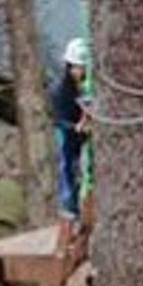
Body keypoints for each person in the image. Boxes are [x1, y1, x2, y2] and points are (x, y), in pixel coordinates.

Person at [49, 37, 91, 226]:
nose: (80, 72)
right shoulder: (60, 91)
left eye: (83, 67)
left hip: (81, 136)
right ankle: (70, 212)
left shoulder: (84, 87)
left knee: (81, 173)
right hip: (66, 135)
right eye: (77, 67)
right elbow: (58, 119)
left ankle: (80, 210)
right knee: (68, 172)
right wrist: (75, 127)